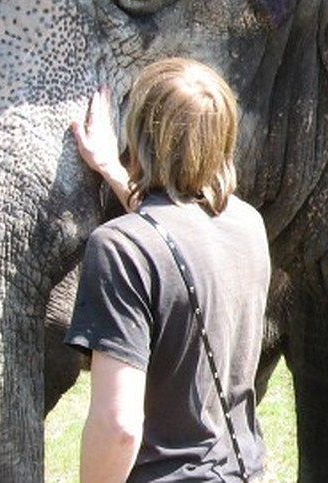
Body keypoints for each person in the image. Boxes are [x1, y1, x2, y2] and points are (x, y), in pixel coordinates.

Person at [66, 58, 271, 482]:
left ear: (140, 134)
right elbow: (175, 236)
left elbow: (118, 427)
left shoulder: (119, 249)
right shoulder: (248, 225)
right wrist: (110, 169)